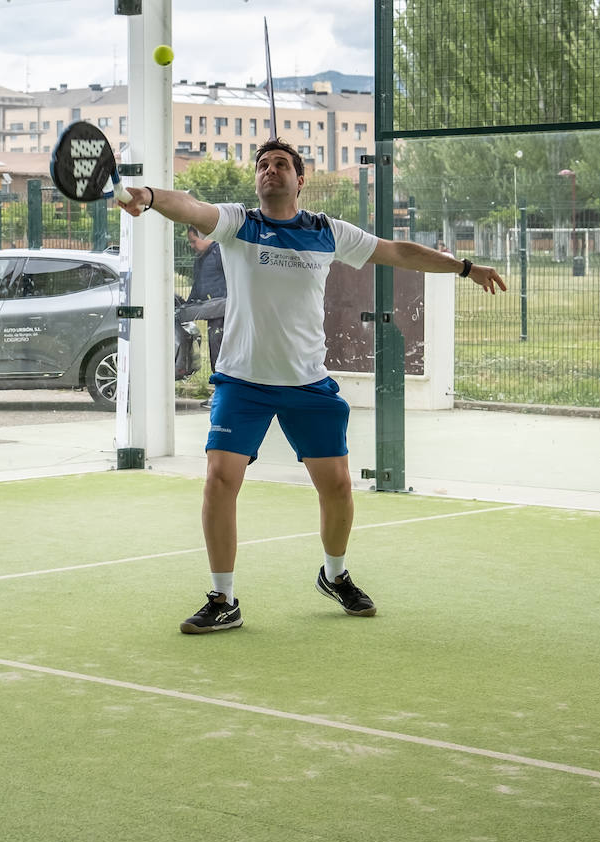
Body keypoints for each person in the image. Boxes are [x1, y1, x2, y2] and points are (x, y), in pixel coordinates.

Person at [117, 138, 506, 633]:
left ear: (301, 180)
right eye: (262, 164)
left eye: (281, 164)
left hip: (307, 383)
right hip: (243, 382)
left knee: (339, 486)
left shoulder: (327, 231)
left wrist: (464, 267)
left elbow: (397, 252)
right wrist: (149, 196)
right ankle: (223, 597)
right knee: (220, 480)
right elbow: (190, 207)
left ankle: (335, 574)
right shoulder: (239, 224)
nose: (270, 170)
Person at [176, 225, 228, 405]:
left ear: (206, 237)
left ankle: (223, 394)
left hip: (225, 314)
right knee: (215, 351)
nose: (192, 245)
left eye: (194, 241)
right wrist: (186, 305)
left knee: (221, 352)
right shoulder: (201, 258)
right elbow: (198, 287)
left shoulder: (221, 253)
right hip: (214, 315)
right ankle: (220, 393)